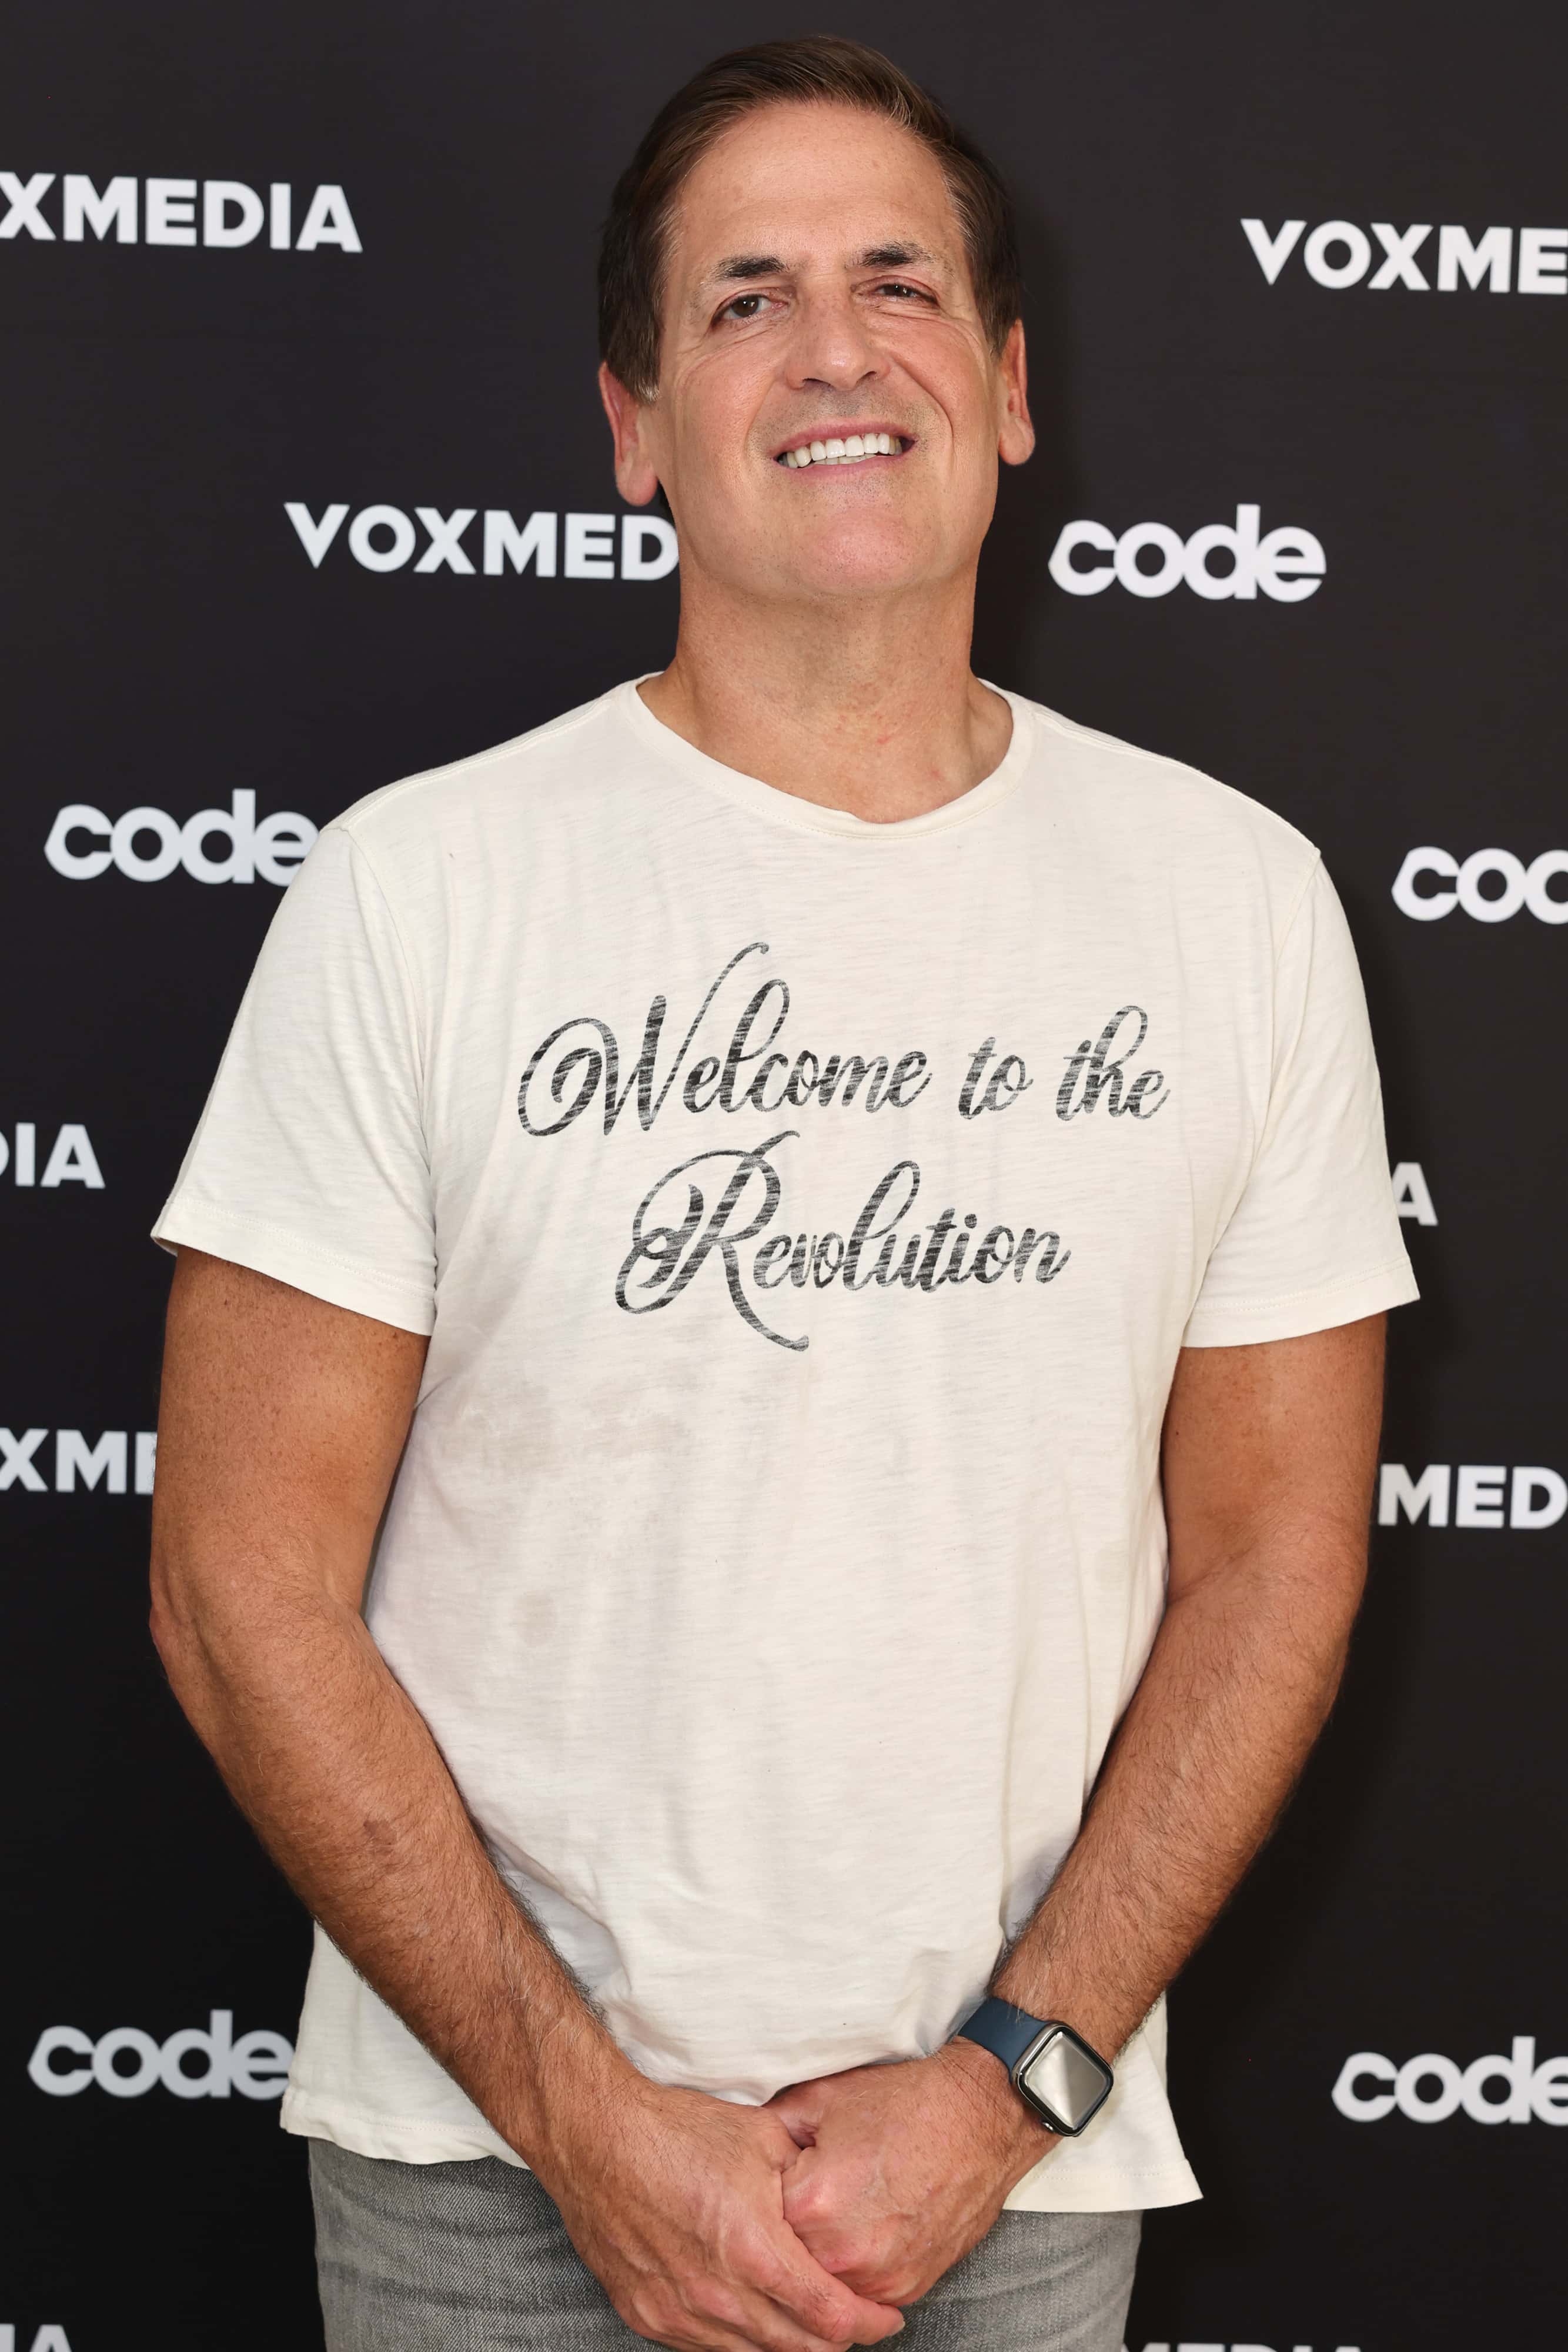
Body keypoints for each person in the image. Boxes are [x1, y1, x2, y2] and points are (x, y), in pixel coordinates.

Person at [148, 33, 1417, 2352]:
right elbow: (241, 1584)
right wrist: (581, 2115)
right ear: (634, 429)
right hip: (483, 2183)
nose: (834, 345)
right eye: (744, 297)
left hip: (1007, 2184)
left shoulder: (1236, 902)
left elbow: (1271, 1557)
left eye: (895, 282)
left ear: (1009, 388)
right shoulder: (414, 892)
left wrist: (1012, 2071)